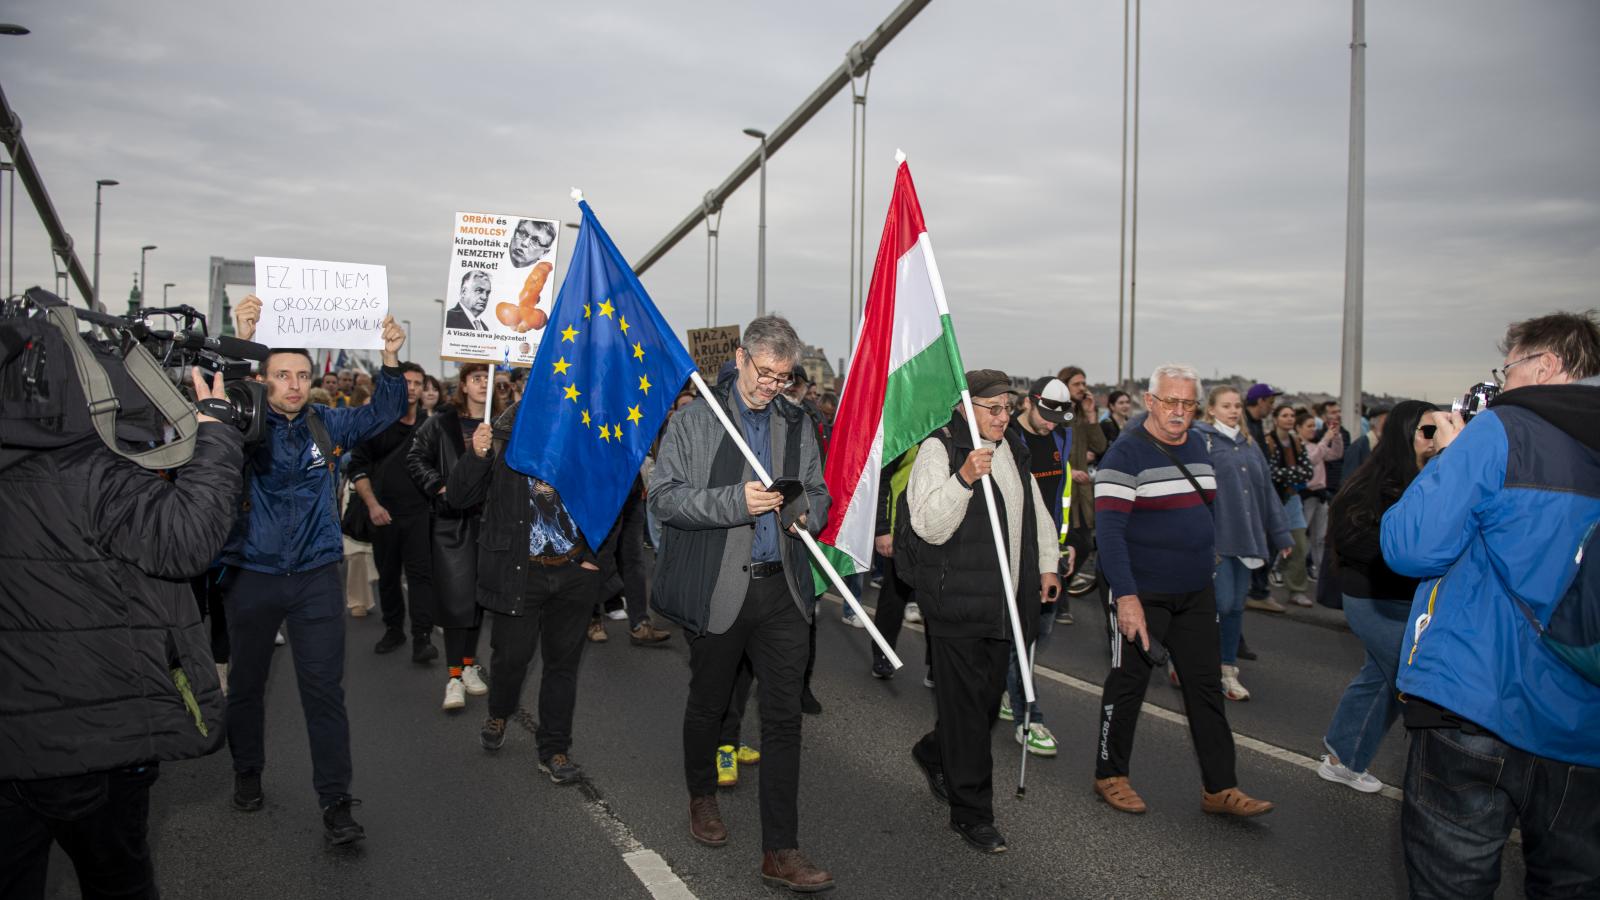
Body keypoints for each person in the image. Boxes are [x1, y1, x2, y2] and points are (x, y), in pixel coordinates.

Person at [0, 367, 242, 898]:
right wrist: (217, 434)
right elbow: (187, 542)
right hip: (97, 734)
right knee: (119, 884)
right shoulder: (98, 470)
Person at [1383, 311, 1600, 897]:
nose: (1501, 385)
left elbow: (1409, 547)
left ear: (1547, 365)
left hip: (1478, 701)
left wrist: (1453, 457)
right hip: (1585, 722)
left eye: (1508, 369)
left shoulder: (1505, 429)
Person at [649, 315, 835, 893]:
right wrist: (736, 501)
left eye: (783, 378)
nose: (771, 386)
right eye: (765, 373)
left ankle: (780, 850)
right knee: (709, 703)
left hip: (782, 589)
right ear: (738, 358)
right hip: (720, 586)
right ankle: (702, 795)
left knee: (782, 720)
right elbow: (665, 498)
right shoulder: (695, 418)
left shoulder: (798, 422)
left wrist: (807, 512)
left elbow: (820, 492)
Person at [222, 296, 408, 845]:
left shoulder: (326, 423)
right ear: (264, 379)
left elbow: (383, 412)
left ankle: (335, 803)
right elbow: (219, 409)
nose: (296, 384)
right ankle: (247, 771)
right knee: (247, 686)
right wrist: (241, 339)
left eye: (302, 374)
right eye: (282, 375)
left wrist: (391, 358)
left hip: (315, 576)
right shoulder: (243, 420)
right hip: (250, 573)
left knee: (324, 690)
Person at [1091, 363, 1273, 818]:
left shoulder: (1198, 444)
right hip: (1141, 593)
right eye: (1169, 401)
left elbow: (1203, 508)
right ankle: (1110, 774)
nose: (1178, 411)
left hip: (1194, 591)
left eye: (1187, 403)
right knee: (1128, 684)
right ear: (1150, 402)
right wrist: (1126, 599)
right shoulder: (1123, 455)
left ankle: (1220, 787)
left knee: (1205, 687)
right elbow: (1109, 536)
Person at [903, 369, 1061, 853]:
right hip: (956, 605)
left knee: (984, 705)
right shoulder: (939, 448)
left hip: (1004, 603)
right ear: (965, 407)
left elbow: (1030, 508)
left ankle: (933, 752)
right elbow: (928, 523)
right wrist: (964, 477)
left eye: (1007, 407)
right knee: (969, 712)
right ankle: (973, 814)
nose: (1003, 416)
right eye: (992, 408)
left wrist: (1048, 564)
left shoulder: (1012, 445)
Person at [448, 397, 606, 786]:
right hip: (518, 572)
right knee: (511, 659)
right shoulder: (502, 438)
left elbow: (614, 498)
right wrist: (477, 456)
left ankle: (554, 748)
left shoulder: (591, 434)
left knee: (562, 667)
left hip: (573, 573)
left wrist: (594, 557)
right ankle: (500, 710)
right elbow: (458, 498)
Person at [1317, 400, 1439, 793]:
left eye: (1441, 429)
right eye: (1427, 430)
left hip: (1410, 601)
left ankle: (1342, 758)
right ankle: (1442, 782)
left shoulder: (1436, 476)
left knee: (1380, 679)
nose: (1435, 439)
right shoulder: (1376, 482)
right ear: (1405, 434)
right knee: (1417, 684)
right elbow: (1355, 546)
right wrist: (1411, 558)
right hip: (1372, 600)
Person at [1192, 386, 1291, 701]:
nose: (1233, 411)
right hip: (1217, 537)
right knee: (1219, 605)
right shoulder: (1202, 440)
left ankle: (1227, 666)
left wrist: (1281, 534)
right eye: (1226, 405)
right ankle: (1205, 665)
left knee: (1235, 607)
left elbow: (1266, 493)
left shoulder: (1249, 444)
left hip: (1247, 538)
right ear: (1211, 410)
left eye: (1236, 405)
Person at [998, 376, 1075, 757]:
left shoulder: (1061, 437)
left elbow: (1061, 493)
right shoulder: (1009, 438)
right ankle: (1029, 716)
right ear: (1030, 403)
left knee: (1042, 629)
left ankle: (1005, 688)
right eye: (1045, 415)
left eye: (1057, 419)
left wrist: (1066, 541)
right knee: (1022, 637)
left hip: (1050, 549)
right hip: (1017, 549)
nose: (1050, 424)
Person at [408, 363, 492, 711]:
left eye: (489, 379)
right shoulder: (441, 422)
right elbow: (415, 458)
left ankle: (470, 665)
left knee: (478, 601)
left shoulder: (499, 425)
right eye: (476, 379)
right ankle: (453, 677)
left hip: (489, 525)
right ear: (462, 385)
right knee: (456, 602)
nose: (484, 385)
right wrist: (439, 486)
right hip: (451, 523)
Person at [350, 362, 438, 663]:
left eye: (417, 383)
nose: (412, 388)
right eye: (406, 382)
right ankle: (393, 629)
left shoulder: (431, 426)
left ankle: (422, 638)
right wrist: (372, 505)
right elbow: (358, 468)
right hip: (383, 514)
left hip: (420, 515)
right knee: (388, 577)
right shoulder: (376, 425)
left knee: (420, 577)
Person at [1055, 366, 1108, 625]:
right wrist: (1070, 470)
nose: (1082, 388)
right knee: (1065, 545)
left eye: (1084, 383)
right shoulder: (1057, 414)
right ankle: (1060, 601)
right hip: (1063, 490)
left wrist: (1091, 415)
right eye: (1077, 384)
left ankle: (1061, 588)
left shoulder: (1079, 416)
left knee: (1084, 544)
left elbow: (1099, 447)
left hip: (1081, 495)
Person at [1264, 403, 1315, 607]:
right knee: (1268, 548)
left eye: (1292, 415)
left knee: (1300, 545)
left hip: (1292, 500)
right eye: (1284, 415)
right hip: (1273, 500)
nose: (1289, 419)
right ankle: (1259, 588)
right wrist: (1293, 473)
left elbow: (1308, 471)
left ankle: (1297, 589)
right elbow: (1269, 472)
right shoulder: (1268, 442)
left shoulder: (1297, 442)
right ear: (1276, 419)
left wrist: (1287, 474)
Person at [1295, 409, 1344, 581]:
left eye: (1314, 426)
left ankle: (1321, 572)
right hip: (1306, 495)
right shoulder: (1298, 446)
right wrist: (1326, 439)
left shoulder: (1316, 445)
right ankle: (1285, 569)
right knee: (1300, 537)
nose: (1313, 429)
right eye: (1309, 426)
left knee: (1321, 538)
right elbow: (1312, 459)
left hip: (1320, 496)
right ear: (1298, 428)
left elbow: (1336, 454)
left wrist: (1336, 436)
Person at [1341, 404, 1388, 476]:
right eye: (1386, 420)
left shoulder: (1386, 445)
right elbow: (1348, 479)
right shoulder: (1358, 447)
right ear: (1374, 422)